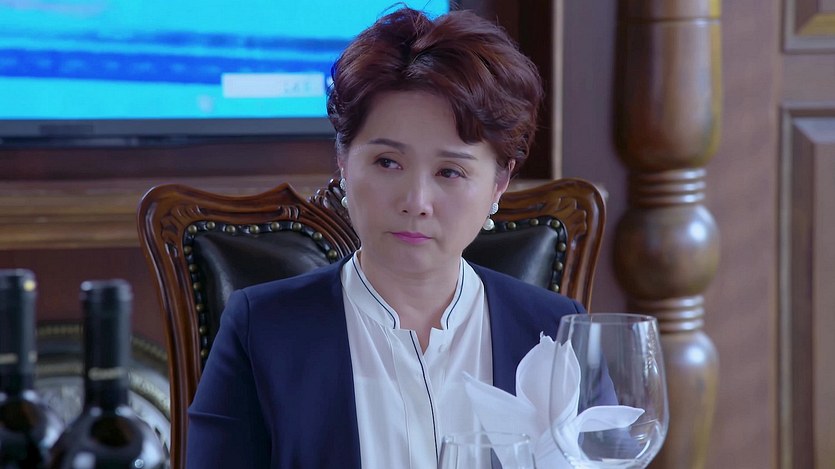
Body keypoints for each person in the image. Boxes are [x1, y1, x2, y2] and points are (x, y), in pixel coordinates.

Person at [186, 6, 585, 468]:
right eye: (388, 163)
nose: (416, 201)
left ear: (499, 183)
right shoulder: (262, 331)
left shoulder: (558, 332)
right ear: (343, 161)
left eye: (450, 171)